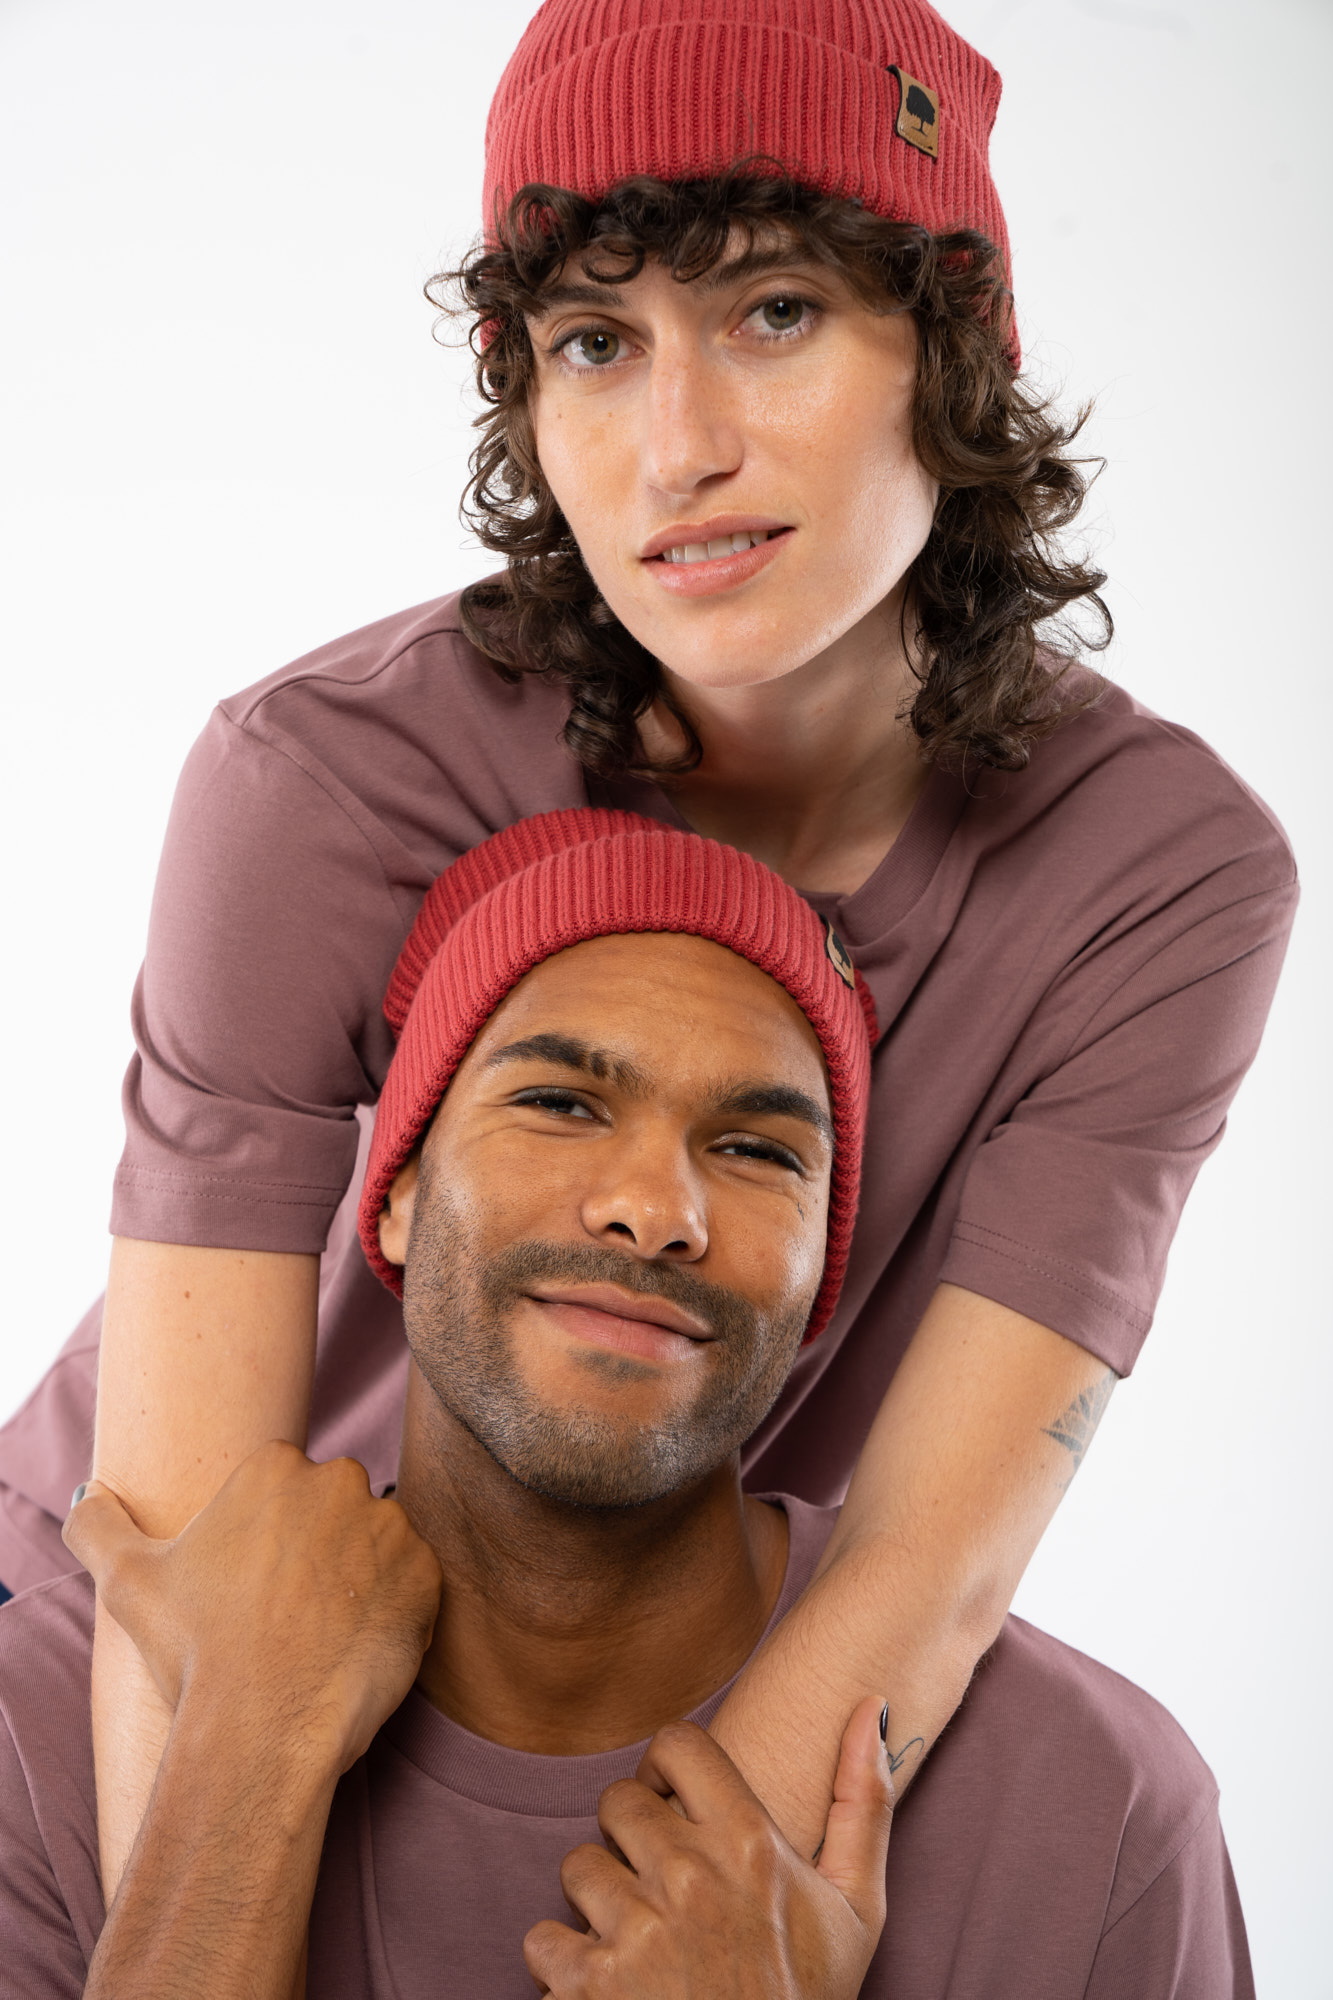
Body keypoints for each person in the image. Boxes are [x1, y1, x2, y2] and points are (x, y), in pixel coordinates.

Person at [0, 0, 1296, 1908]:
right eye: (594, 343)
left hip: (626, 1690)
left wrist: (676, 1932)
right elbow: (171, 1556)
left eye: (772, 310)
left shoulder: (1155, 878)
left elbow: (920, 1573)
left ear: (952, 342)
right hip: (143, 1675)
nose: (677, 447)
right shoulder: (321, 779)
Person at [9, 811, 1250, 1998]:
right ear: (392, 1194)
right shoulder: (38, 1730)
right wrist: (239, 1761)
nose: (656, 1210)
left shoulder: (1097, 1815)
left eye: (757, 1150)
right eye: (559, 1102)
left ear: (819, 1277)